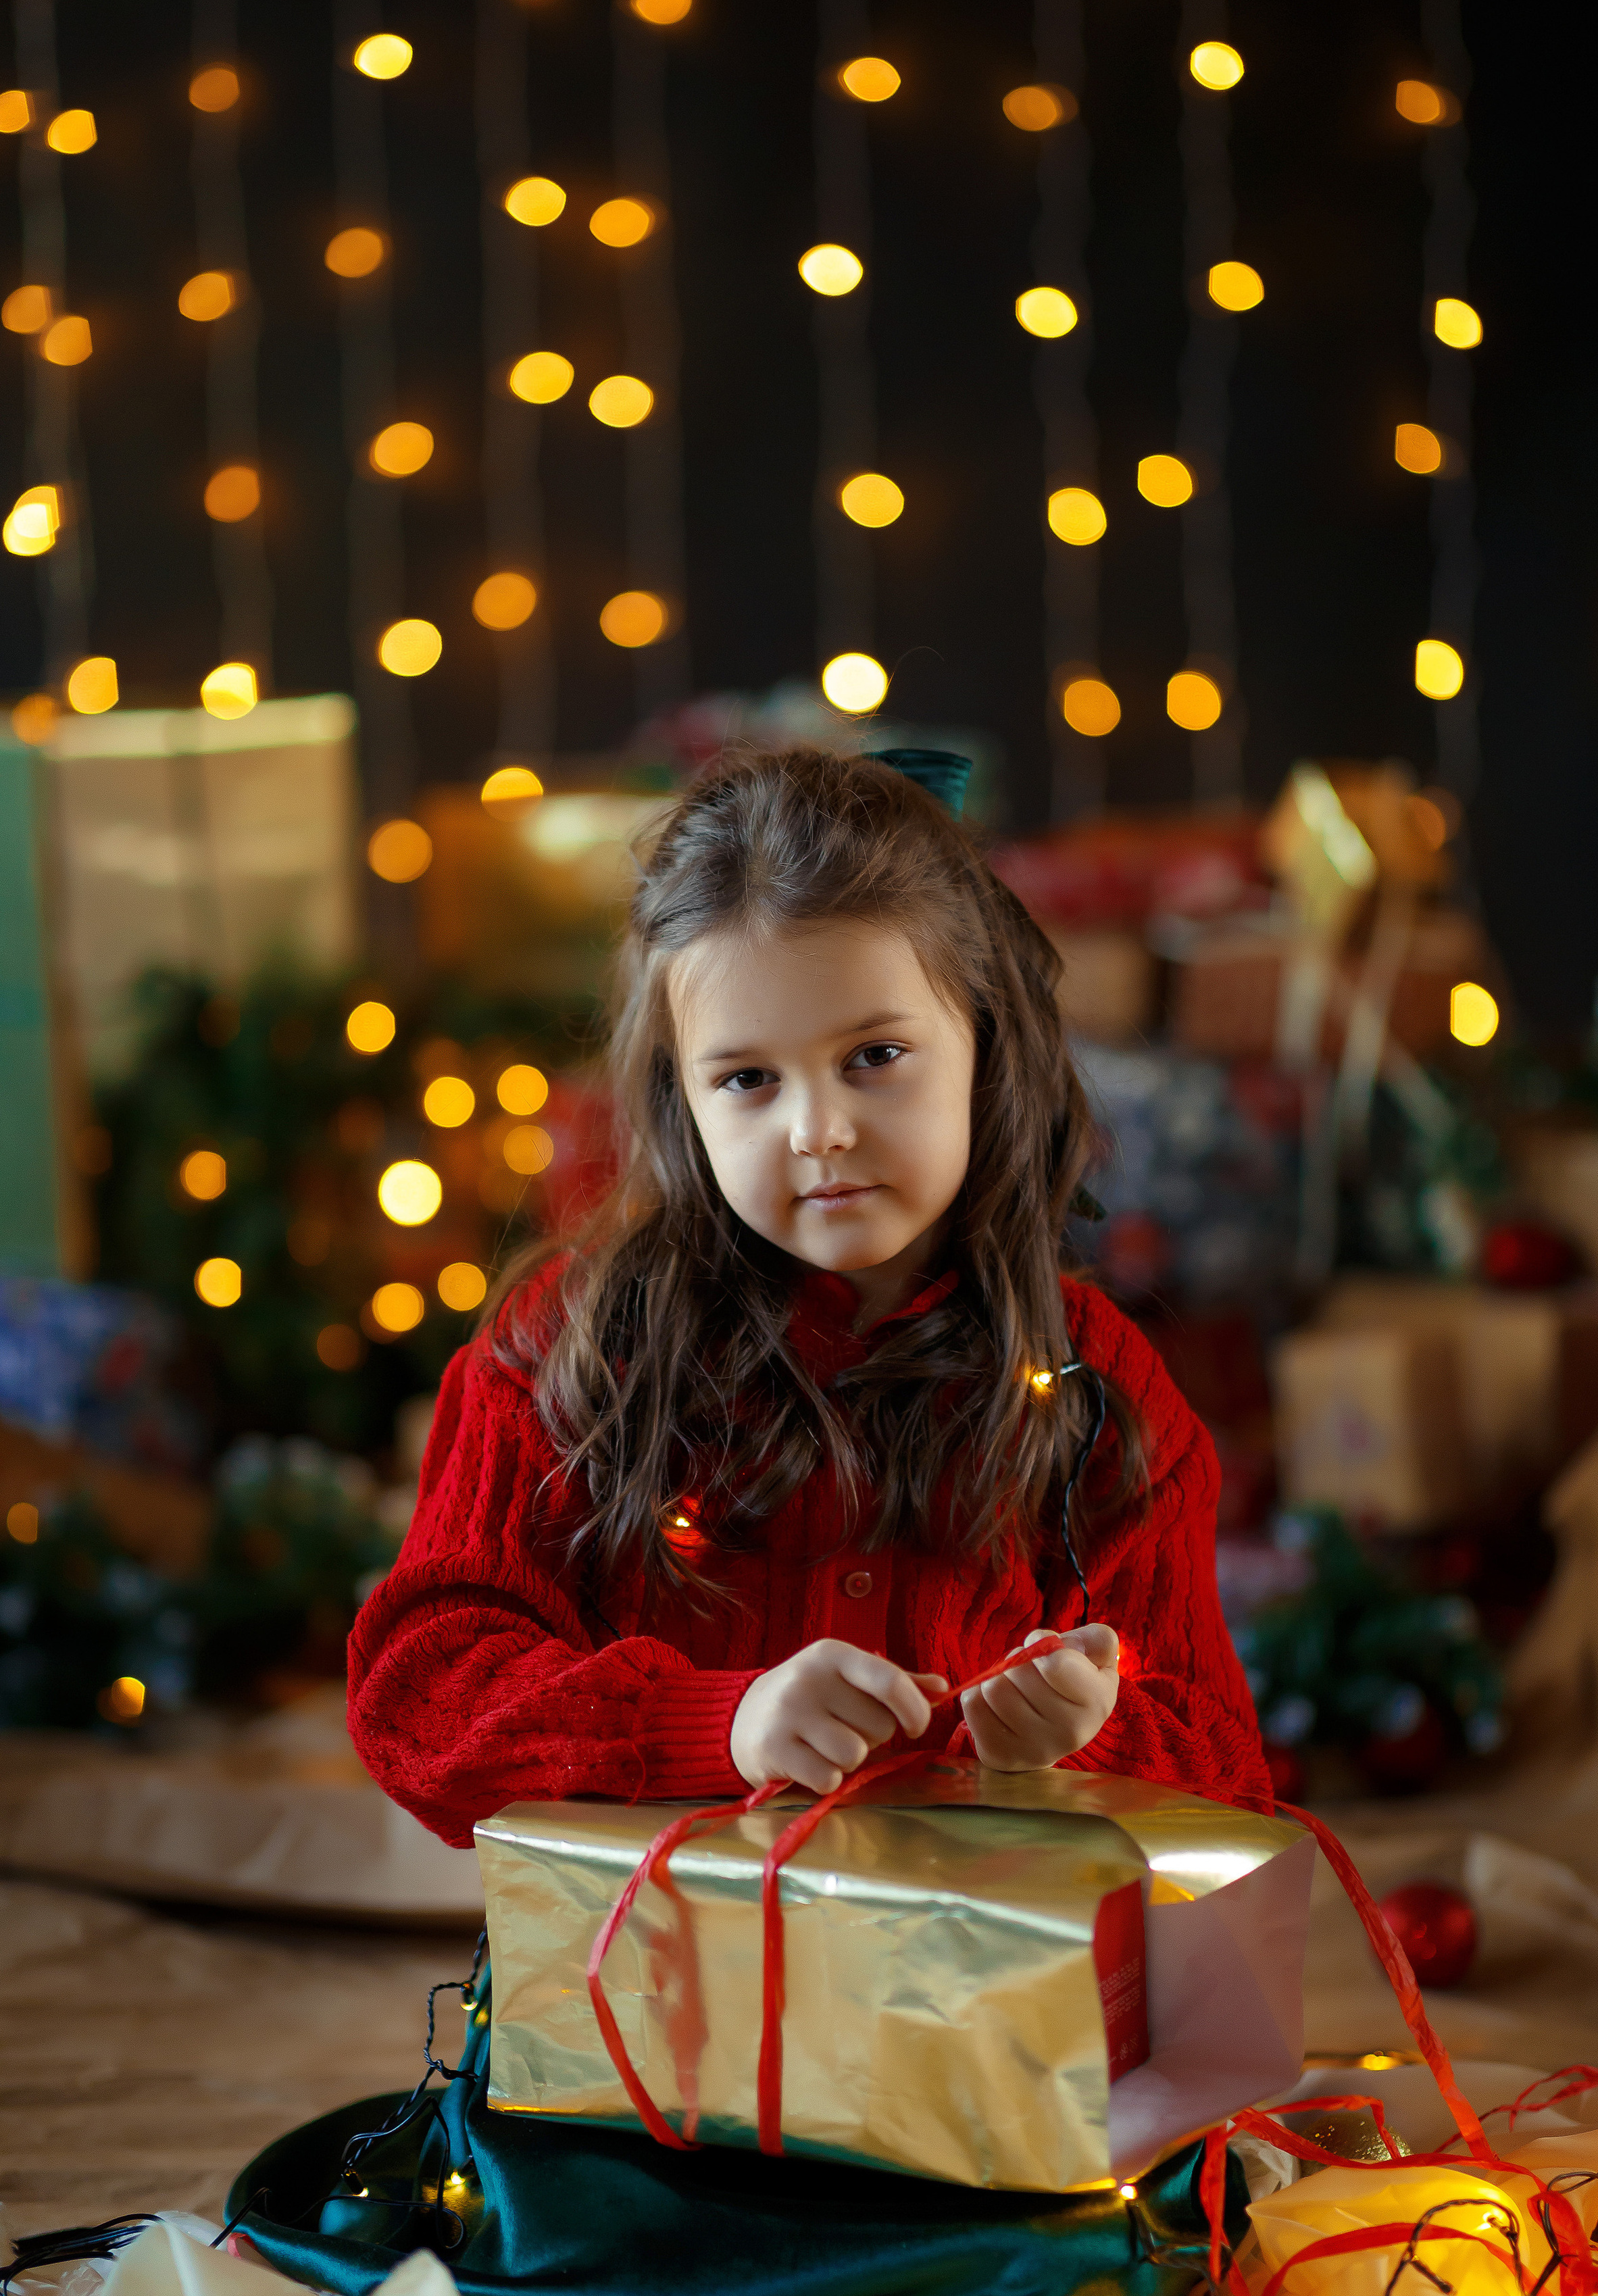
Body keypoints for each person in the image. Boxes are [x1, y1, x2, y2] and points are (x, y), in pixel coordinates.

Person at [348, 745, 1272, 1841]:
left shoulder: (1095, 1389)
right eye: (747, 1079)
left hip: (968, 2002)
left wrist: (1089, 1736)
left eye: (875, 1055)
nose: (817, 1130)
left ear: (986, 1043)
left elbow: (1227, 1770)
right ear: (679, 1100)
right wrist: (718, 1724)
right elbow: (420, 1694)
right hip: (656, 1993)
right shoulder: (571, 1353)